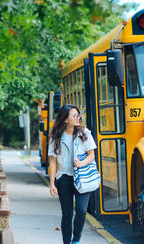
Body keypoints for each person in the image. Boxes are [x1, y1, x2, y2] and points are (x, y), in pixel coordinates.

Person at [48, 104, 97, 244]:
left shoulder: (84, 133)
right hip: (63, 179)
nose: (78, 118)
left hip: (82, 177)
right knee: (67, 214)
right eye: (74, 116)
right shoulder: (56, 136)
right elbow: (52, 161)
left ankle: (76, 239)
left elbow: (91, 155)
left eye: (78, 115)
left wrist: (82, 163)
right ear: (65, 120)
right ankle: (66, 242)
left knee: (81, 210)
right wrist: (52, 184)